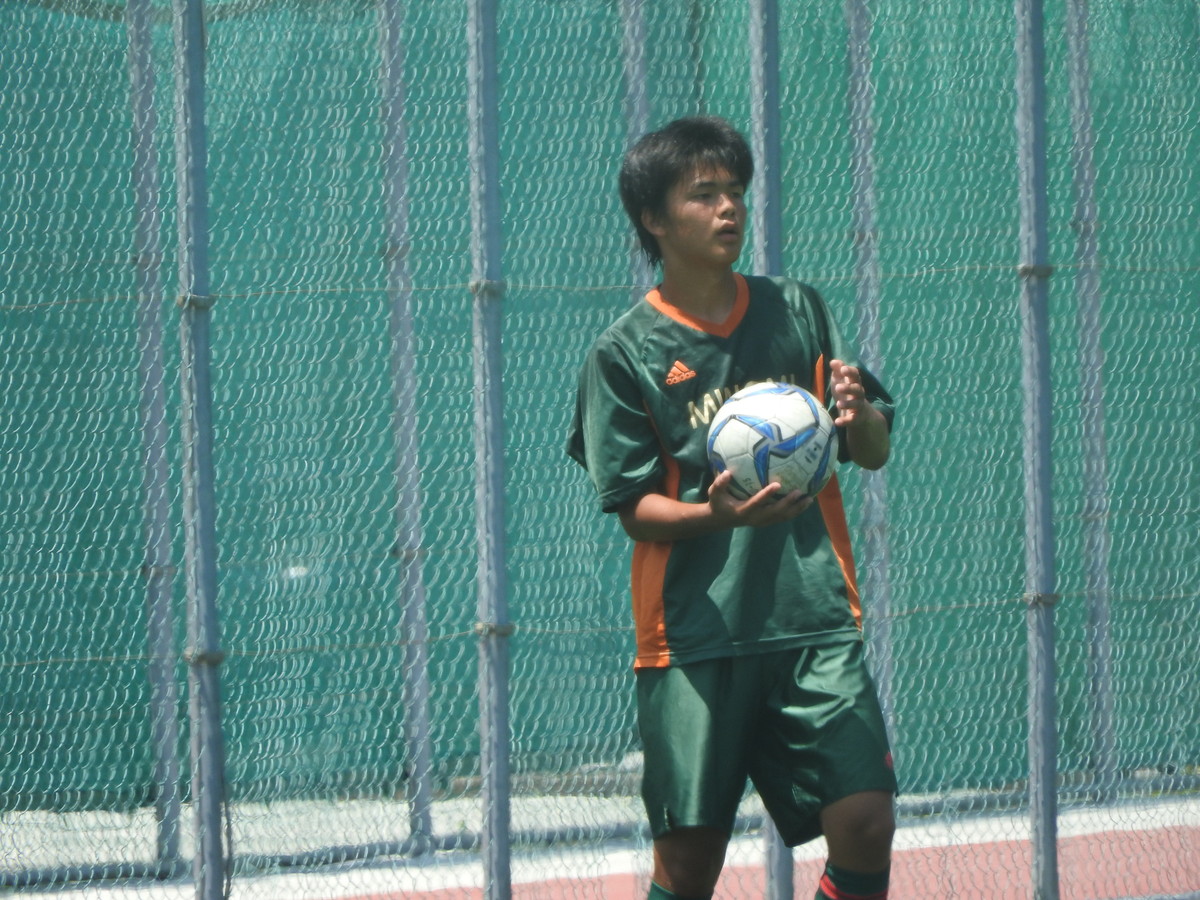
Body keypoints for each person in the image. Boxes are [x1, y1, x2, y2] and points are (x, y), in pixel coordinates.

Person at [566, 116, 898, 900]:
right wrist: (721, 518)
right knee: (689, 865)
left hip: (812, 620)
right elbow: (633, 507)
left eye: (737, 192)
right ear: (653, 218)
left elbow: (872, 450)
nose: (729, 209)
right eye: (704, 194)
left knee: (866, 822)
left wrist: (860, 418)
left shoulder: (796, 310)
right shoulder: (625, 352)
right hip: (694, 635)